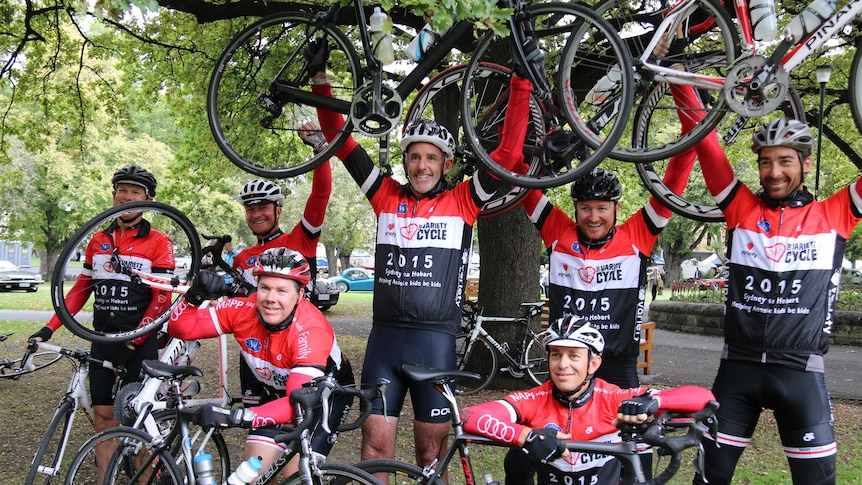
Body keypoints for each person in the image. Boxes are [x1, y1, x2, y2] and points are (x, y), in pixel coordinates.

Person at [305, 38, 536, 469]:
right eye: (414, 157)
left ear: (447, 163)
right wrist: (322, 80)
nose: (422, 166)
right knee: (374, 453)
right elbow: (342, 139)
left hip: (436, 343)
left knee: (432, 456)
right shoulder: (384, 195)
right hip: (385, 342)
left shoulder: (465, 201)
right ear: (405, 161)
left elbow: (508, 155)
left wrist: (521, 80)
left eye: (432, 158)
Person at [672, 83, 855, 484]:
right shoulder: (741, 209)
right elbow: (705, 138)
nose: (774, 172)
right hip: (737, 369)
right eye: (766, 162)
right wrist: (679, 72)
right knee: (707, 478)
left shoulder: (836, 213)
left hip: (800, 372)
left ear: (805, 164)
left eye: (785, 161)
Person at [28, 165, 173, 475]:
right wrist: (49, 328)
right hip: (102, 340)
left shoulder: (159, 241)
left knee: (139, 421)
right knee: (104, 417)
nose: (128, 197)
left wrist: (134, 339)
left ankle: (144, 479)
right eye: (123, 190)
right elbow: (81, 290)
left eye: (136, 192)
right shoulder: (98, 240)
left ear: (148, 199)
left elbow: (162, 299)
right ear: (113, 195)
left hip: (140, 342)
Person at [169, 247, 354, 480]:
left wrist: (236, 417)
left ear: (299, 294)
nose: (270, 299)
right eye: (265, 288)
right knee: (255, 475)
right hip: (275, 393)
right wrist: (193, 297)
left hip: (323, 399)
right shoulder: (242, 310)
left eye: (282, 290)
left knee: (295, 475)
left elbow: (294, 404)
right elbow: (181, 328)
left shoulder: (310, 330)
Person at [460, 316, 715, 484]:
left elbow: (704, 397)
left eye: (574, 355)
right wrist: (526, 436)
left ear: (593, 363)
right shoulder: (535, 399)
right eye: (556, 355)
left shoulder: (614, 398)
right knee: (517, 456)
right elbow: (470, 416)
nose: (563, 365)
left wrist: (654, 403)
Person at [232, 168, 331, 407]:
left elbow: (321, 193)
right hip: (254, 352)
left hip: (295, 347)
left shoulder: (299, 241)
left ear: (278, 210)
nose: (256, 215)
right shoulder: (241, 258)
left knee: (297, 420)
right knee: (254, 420)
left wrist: (321, 150)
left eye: (262, 207)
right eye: (250, 209)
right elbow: (238, 308)